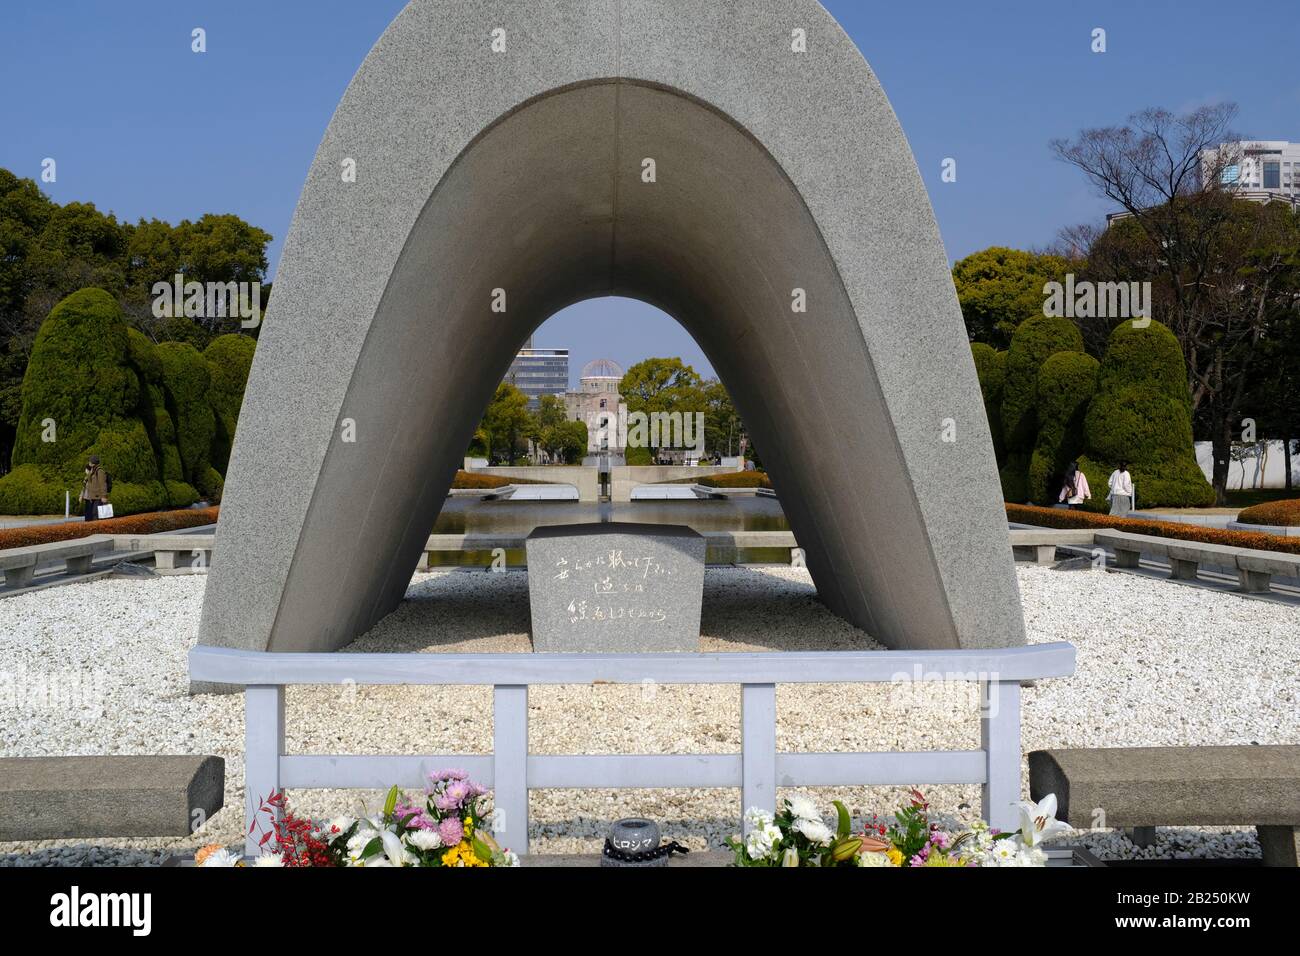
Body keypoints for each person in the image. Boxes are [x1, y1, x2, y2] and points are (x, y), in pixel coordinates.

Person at [79, 455, 110, 521]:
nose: (89, 462)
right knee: (92, 514)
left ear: (93, 462)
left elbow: (103, 484)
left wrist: (104, 496)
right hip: (92, 496)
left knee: (95, 514)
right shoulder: (92, 470)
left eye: (90, 461)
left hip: (98, 496)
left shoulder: (99, 471)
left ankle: (97, 528)